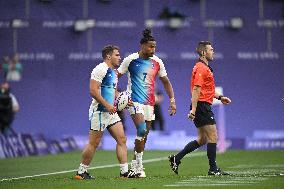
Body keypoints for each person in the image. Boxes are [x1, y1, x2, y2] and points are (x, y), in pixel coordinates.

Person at [117, 28, 176, 178]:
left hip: (150, 103)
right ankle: (138, 165)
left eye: (155, 47)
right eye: (150, 46)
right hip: (134, 100)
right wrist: (117, 94)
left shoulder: (157, 62)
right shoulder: (130, 59)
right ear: (142, 46)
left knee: (144, 135)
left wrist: (172, 100)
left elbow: (166, 82)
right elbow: (115, 76)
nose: (153, 49)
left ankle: (137, 164)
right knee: (142, 129)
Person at [74, 45, 138, 180]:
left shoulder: (114, 73)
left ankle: (124, 172)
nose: (119, 57)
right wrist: (107, 105)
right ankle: (81, 173)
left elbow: (113, 92)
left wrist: (125, 100)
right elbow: (93, 90)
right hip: (99, 111)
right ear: (109, 56)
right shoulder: (100, 69)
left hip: (111, 112)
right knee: (94, 143)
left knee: (122, 139)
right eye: (117, 55)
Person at [168, 41, 232, 176]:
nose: (213, 52)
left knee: (202, 139)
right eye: (211, 49)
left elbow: (206, 90)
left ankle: (176, 158)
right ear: (203, 52)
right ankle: (213, 169)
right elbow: (196, 89)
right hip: (202, 106)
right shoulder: (201, 68)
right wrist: (193, 109)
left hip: (202, 105)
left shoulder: (204, 67)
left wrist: (220, 97)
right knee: (213, 136)